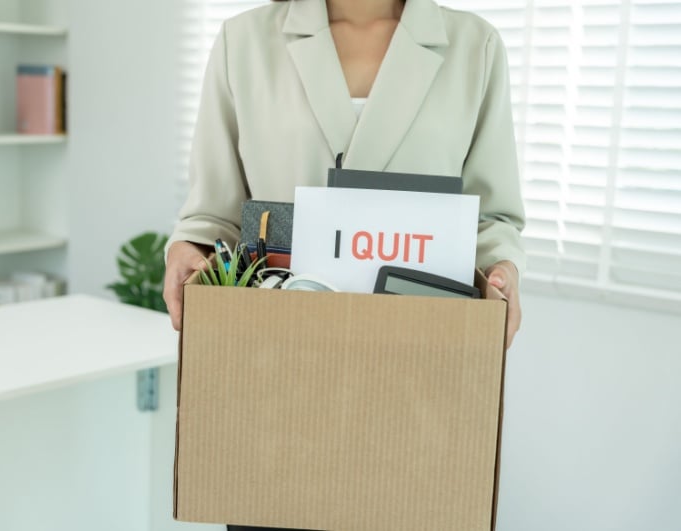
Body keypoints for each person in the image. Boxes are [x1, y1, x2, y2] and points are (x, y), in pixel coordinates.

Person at [165, 0, 524, 527]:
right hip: (273, 381)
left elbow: (492, 219)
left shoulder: (476, 46)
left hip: (420, 385)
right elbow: (212, 216)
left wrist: (504, 273)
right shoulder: (243, 41)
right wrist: (185, 251)